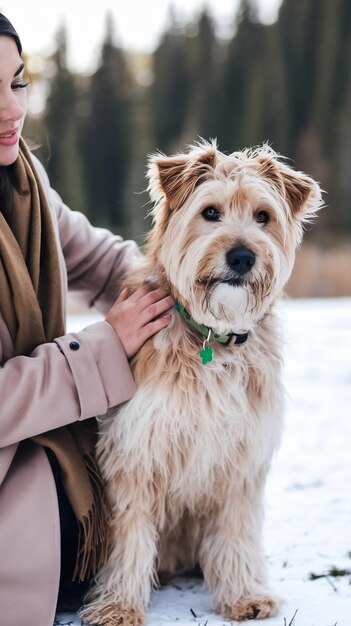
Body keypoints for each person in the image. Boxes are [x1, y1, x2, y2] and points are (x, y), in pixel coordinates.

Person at [0, 13, 173, 626]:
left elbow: (99, 261)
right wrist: (105, 348)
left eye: (17, 82)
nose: (10, 110)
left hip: (38, 451)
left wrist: (186, 285)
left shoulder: (23, 181)